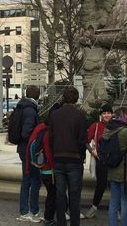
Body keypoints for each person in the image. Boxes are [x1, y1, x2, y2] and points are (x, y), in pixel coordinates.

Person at [49, 87, 87, 226]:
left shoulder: (54, 115)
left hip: (58, 159)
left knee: (60, 195)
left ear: (64, 98)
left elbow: (51, 138)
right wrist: (81, 157)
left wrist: (55, 153)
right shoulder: (80, 116)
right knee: (74, 196)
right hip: (74, 160)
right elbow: (82, 140)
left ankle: (61, 223)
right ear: (76, 99)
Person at [26, 103, 61, 226]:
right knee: (52, 195)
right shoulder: (48, 132)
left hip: (44, 169)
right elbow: (48, 151)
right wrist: (54, 167)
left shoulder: (41, 127)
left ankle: (51, 217)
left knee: (52, 194)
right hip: (49, 170)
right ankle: (49, 219)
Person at [83, 103, 114, 219]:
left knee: (115, 186)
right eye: (104, 113)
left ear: (112, 114)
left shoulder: (116, 125)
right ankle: (94, 207)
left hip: (114, 160)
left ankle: (116, 209)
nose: (107, 115)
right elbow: (85, 140)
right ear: (101, 115)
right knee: (101, 185)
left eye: (109, 113)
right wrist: (92, 151)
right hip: (101, 160)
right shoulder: (96, 126)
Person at [104, 107, 127, 226]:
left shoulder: (108, 129)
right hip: (125, 172)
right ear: (126, 116)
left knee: (113, 203)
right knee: (125, 202)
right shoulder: (126, 131)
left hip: (112, 170)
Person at [16, 85, 42, 222]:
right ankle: (29, 211)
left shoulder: (22, 106)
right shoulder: (31, 110)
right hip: (28, 150)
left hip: (23, 148)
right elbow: (27, 132)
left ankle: (28, 210)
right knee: (32, 180)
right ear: (37, 95)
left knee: (29, 180)